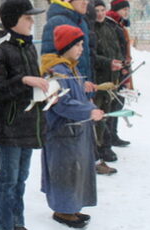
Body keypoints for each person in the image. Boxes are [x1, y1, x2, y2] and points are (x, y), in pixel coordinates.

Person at [0, 0, 47, 230]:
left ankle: (17, 223)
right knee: (8, 181)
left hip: (29, 122)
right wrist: (23, 80)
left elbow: (30, 85)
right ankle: (5, 225)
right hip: (10, 127)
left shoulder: (29, 46)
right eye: (27, 17)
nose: (32, 21)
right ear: (13, 20)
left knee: (21, 180)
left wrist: (45, 90)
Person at [40, 24, 104, 228]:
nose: (81, 49)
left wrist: (88, 92)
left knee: (76, 171)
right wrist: (87, 111)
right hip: (62, 134)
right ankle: (63, 209)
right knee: (64, 171)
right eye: (77, 44)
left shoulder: (71, 69)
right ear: (65, 46)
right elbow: (62, 104)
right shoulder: (57, 72)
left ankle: (72, 206)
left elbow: (74, 96)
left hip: (75, 133)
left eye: (82, 44)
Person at [41, 0, 96, 94]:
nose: (86, 2)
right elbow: (50, 60)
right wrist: (75, 83)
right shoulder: (57, 22)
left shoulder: (82, 22)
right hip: (66, 90)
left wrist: (87, 88)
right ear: (68, 0)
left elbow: (85, 60)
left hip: (83, 87)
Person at [92, 0, 123, 173]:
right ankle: (99, 149)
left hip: (112, 79)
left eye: (102, 10)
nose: (100, 13)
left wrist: (119, 64)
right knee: (98, 116)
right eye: (96, 10)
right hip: (98, 80)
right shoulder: (90, 30)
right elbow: (93, 56)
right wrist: (108, 62)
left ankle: (106, 146)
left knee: (109, 114)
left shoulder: (110, 28)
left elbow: (116, 49)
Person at [106, 0, 133, 147]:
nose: (126, 12)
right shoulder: (112, 25)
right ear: (116, 10)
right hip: (116, 69)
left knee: (118, 102)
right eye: (124, 9)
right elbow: (115, 48)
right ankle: (109, 136)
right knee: (114, 104)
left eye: (127, 9)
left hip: (122, 67)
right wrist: (121, 64)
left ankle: (113, 134)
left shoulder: (120, 25)